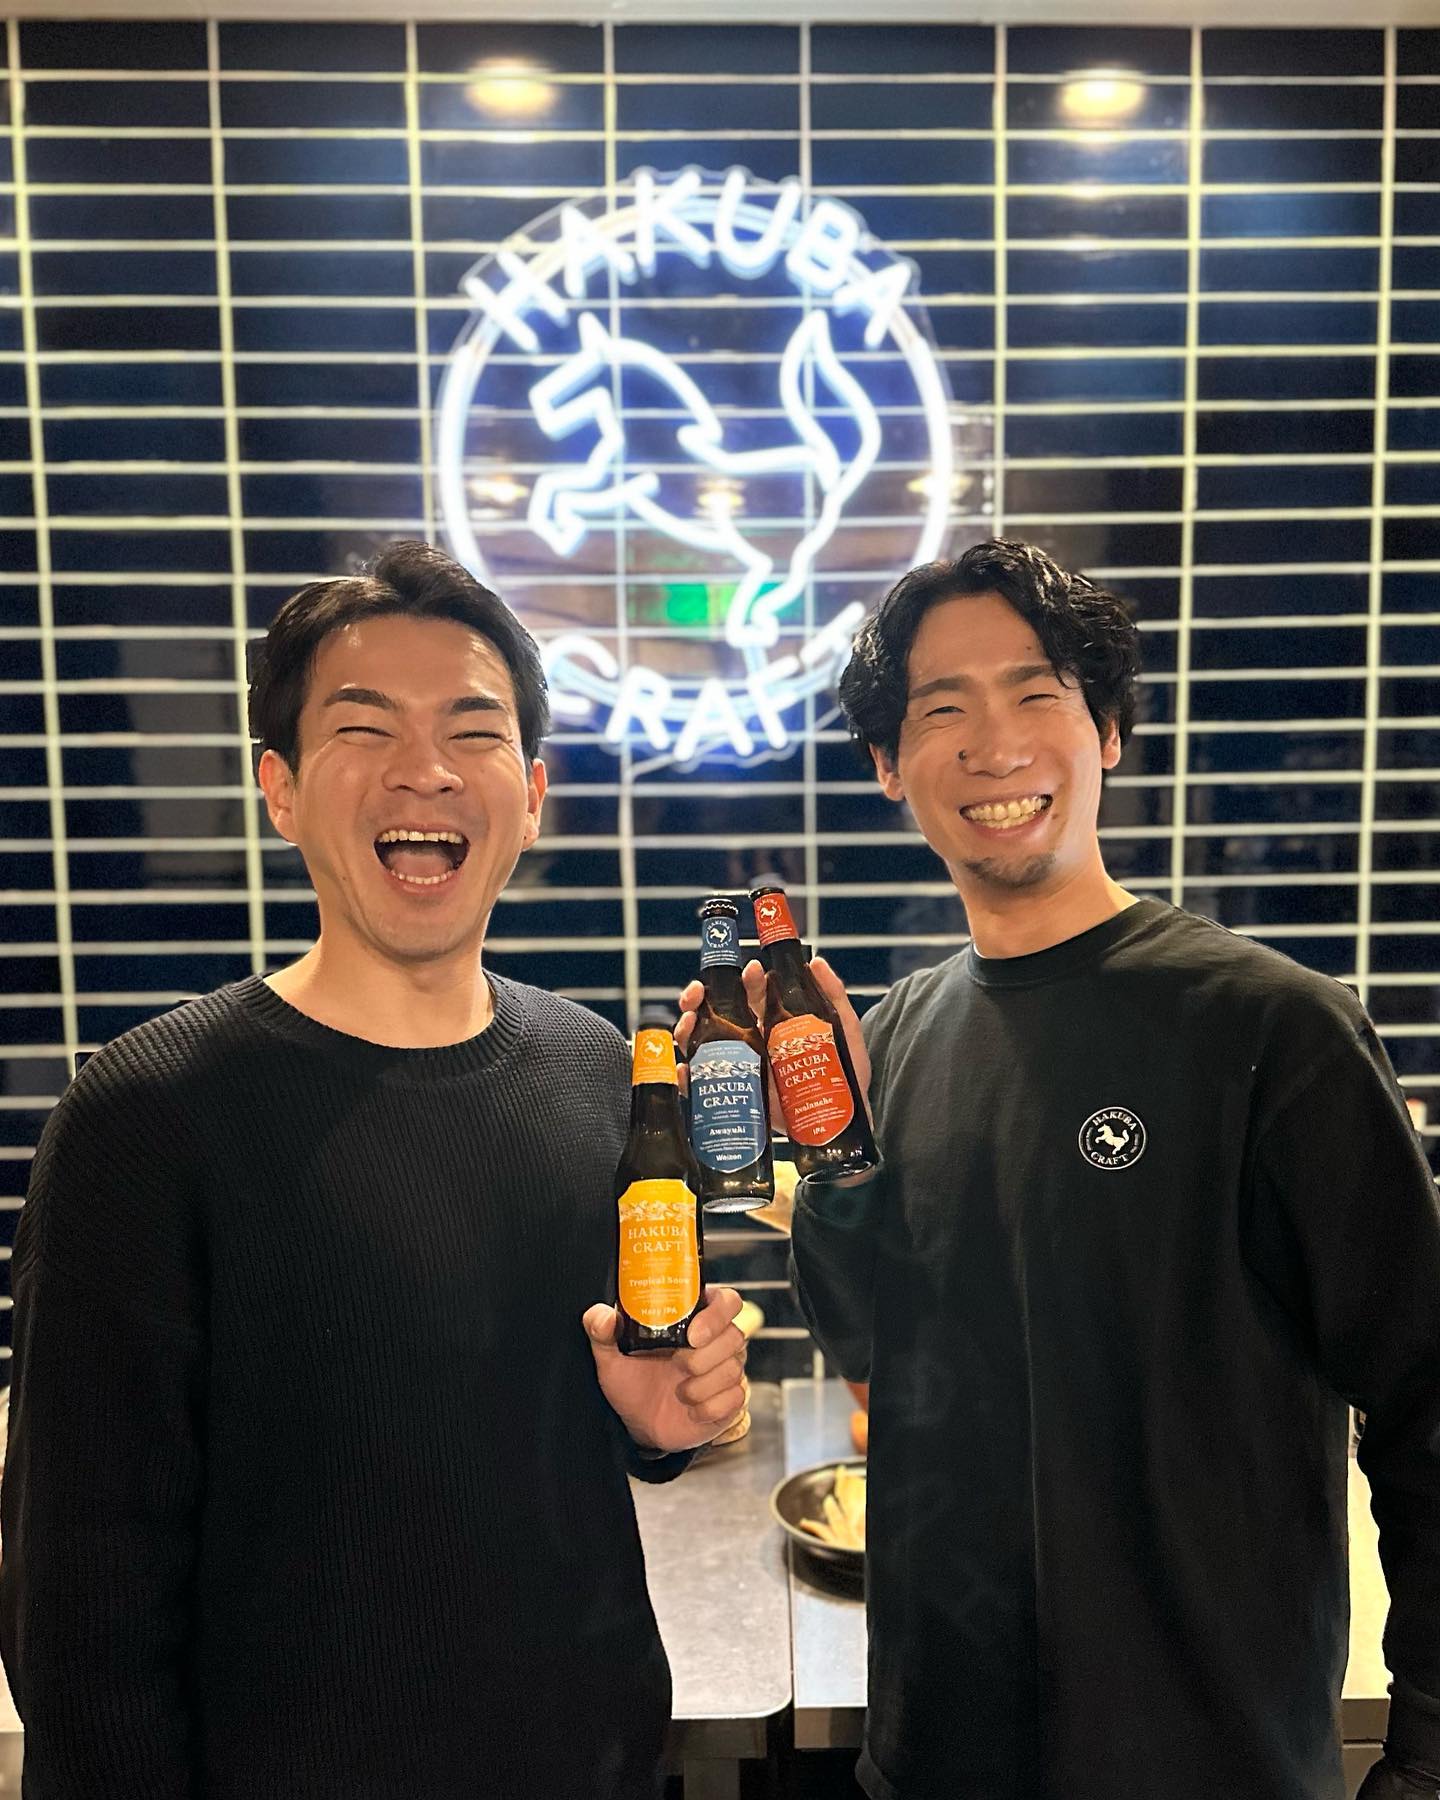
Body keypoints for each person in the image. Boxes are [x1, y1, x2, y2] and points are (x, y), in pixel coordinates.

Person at [682, 539, 1440, 1800]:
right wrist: (836, 1148)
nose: (994, 745)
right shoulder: (902, 1037)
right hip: (934, 1757)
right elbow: (876, 1355)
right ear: (888, 765)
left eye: (1036, 694)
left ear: (1108, 733)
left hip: (1209, 1764)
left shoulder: (1271, 1029)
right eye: (942, 710)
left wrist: (1425, 1758)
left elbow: (1426, 1401)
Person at [2, 540, 747, 1800]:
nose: (425, 768)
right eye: (364, 728)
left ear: (533, 791)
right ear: (281, 788)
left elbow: (547, 1429)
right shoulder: (146, 1117)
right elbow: (80, 1613)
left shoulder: (597, 1075)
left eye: (474, 730)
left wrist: (653, 1429)